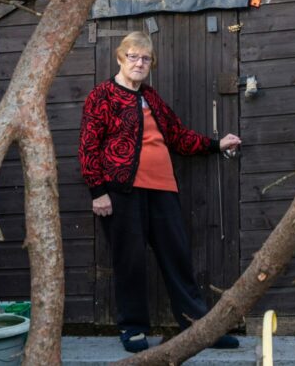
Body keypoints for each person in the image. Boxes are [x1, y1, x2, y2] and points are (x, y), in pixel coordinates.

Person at [78, 31, 242, 353]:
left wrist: (215, 144)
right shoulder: (102, 96)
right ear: (120, 58)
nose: (139, 63)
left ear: (151, 63)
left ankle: (199, 328)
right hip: (121, 190)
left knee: (177, 258)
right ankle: (133, 328)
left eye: (146, 58)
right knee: (130, 261)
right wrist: (98, 191)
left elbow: (178, 136)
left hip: (162, 189)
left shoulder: (151, 97)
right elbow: (88, 146)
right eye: (133, 57)